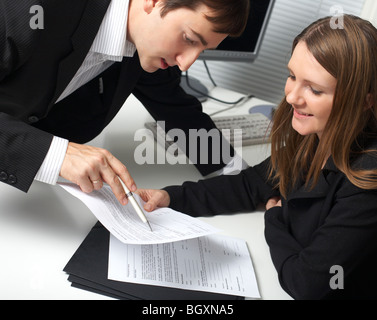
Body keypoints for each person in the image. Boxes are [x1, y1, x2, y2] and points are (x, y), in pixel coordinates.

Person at [138, 15, 377, 300]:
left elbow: (307, 283)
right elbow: (251, 185)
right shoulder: (313, 137)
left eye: (314, 89)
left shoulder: (367, 180)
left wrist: (274, 220)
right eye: (292, 77)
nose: (292, 98)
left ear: (364, 101)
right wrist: (171, 198)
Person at [0, 0, 249, 205]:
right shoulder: (30, 10)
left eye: (201, 51)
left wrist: (249, 184)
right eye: (189, 39)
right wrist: (55, 154)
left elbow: (180, 112)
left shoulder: (145, 45)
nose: (187, 63)